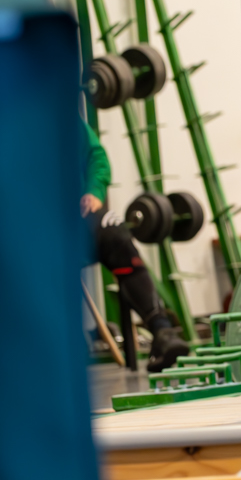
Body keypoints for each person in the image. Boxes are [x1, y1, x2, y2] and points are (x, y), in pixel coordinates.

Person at [81, 118, 190, 372]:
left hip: (75, 221)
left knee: (115, 232)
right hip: (30, 233)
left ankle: (161, 331)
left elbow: (96, 156)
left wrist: (94, 191)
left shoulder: (56, 116)